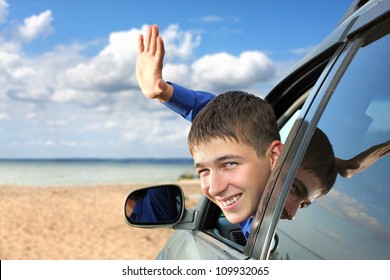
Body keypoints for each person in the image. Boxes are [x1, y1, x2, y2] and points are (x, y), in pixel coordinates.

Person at [135, 24, 387, 237]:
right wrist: (165, 93)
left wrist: (166, 95)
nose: (292, 212)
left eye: (305, 202)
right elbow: (231, 126)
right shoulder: (255, 211)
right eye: (292, 187)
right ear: (274, 159)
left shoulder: (260, 223)